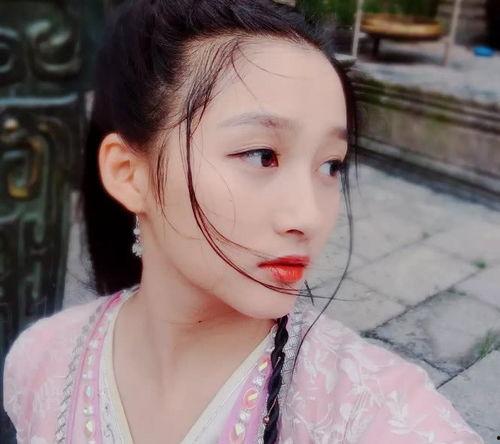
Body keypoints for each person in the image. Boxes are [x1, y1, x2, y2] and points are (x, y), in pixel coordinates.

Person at [2, 1, 484, 443]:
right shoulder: (42, 362)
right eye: (261, 155)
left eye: (331, 165)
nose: (308, 217)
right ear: (129, 174)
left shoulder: (375, 410)